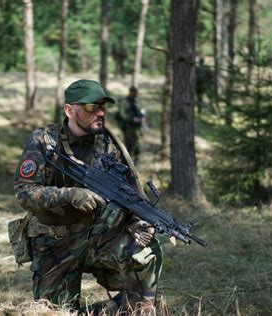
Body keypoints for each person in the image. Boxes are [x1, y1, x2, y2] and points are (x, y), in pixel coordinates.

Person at [13, 79, 163, 314]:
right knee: (57, 310)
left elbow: (129, 193)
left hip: (97, 236)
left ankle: (139, 309)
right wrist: (69, 195)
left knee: (146, 251)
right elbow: (25, 192)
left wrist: (136, 222)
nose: (100, 113)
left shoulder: (108, 145)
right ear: (69, 110)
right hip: (55, 242)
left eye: (103, 107)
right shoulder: (44, 141)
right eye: (92, 108)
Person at [115, 86, 144, 164]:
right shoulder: (125, 102)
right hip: (128, 128)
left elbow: (139, 112)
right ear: (131, 92)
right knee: (129, 148)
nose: (136, 94)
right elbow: (123, 115)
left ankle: (135, 165)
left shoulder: (135, 102)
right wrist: (133, 119)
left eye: (136, 92)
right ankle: (127, 165)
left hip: (136, 128)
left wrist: (141, 118)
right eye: (134, 92)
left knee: (137, 148)